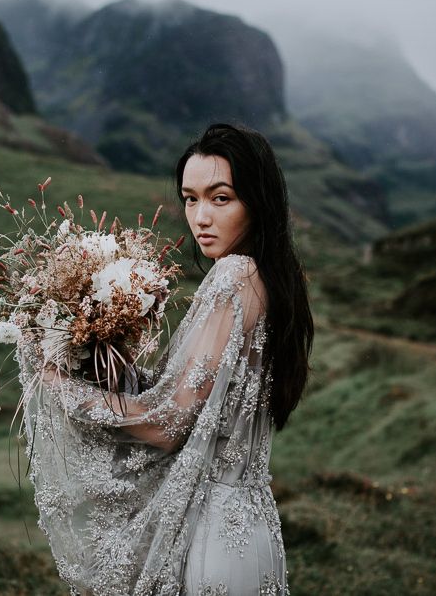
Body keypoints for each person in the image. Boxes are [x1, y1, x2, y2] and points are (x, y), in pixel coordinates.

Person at [16, 123, 313, 595]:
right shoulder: (273, 278)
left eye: (220, 198)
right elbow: (191, 402)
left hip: (213, 536)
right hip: (254, 527)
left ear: (257, 201)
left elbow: (167, 424)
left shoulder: (234, 275)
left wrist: (60, 384)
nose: (200, 218)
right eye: (190, 198)